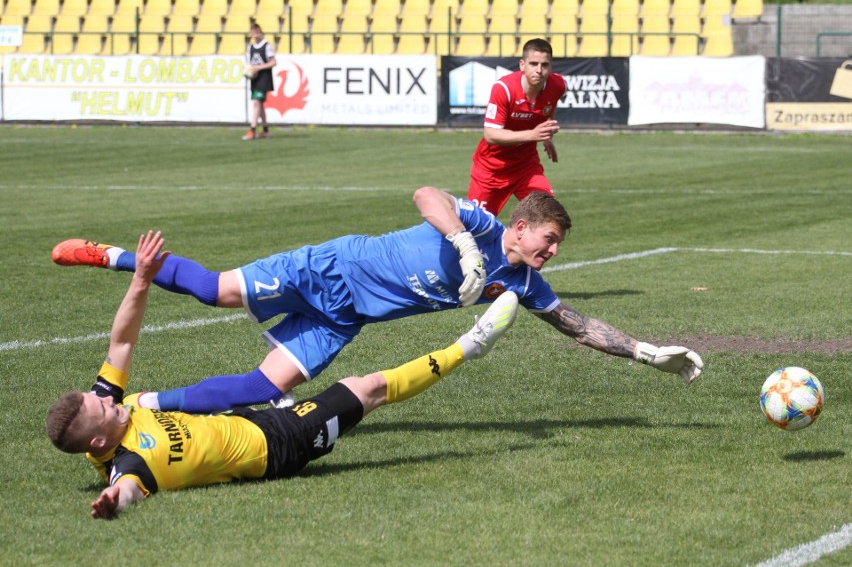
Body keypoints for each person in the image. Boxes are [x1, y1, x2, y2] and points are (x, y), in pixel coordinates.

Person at [51, 187, 704, 415]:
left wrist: (651, 354)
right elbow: (425, 194)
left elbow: (575, 323)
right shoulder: (478, 222)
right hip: (328, 269)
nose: (553, 252)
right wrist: (463, 244)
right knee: (215, 290)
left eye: (557, 245)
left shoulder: (524, 281)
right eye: (551, 240)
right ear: (523, 225)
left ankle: (139, 404)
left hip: (348, 317)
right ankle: (109, 255)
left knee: (260, 387)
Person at [46, 230, 521, 519]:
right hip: (277, 443)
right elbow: (126, 491)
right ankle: (470, 346)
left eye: (101, 397)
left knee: (215, 290)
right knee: (358, 388)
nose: (109, 398)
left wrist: (139, 276)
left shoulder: (112, 407)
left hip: (317, 272)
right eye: (103, 406)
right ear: (96, 444)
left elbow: (122, 341)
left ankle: (108, 254)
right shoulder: (130, 467)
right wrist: (113, 502)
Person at [468, 38, 567, 215]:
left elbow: (550, 106)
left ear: (551, 66)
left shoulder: (558, 85)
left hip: (526, 166)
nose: (539, 70)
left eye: (545, 65)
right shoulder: (504, 89)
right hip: (491, 169)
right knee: (476, 228)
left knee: (548, 215)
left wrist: (546, 135)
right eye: (533, 64)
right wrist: (533, 134)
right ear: (522, 65)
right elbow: (490, 135)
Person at [242, 22, 276, 141]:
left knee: (256, 102)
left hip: (264, 78)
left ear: (260, 32)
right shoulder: (250, 47)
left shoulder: (266, 46)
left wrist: (259, 67)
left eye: (257, 32)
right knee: (259, 104)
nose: (255, 35)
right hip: (255, 79)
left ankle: (252, 130)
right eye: (253, 33)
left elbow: (273, 62)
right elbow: (251, 63)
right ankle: (266, 130)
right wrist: (249, 70)